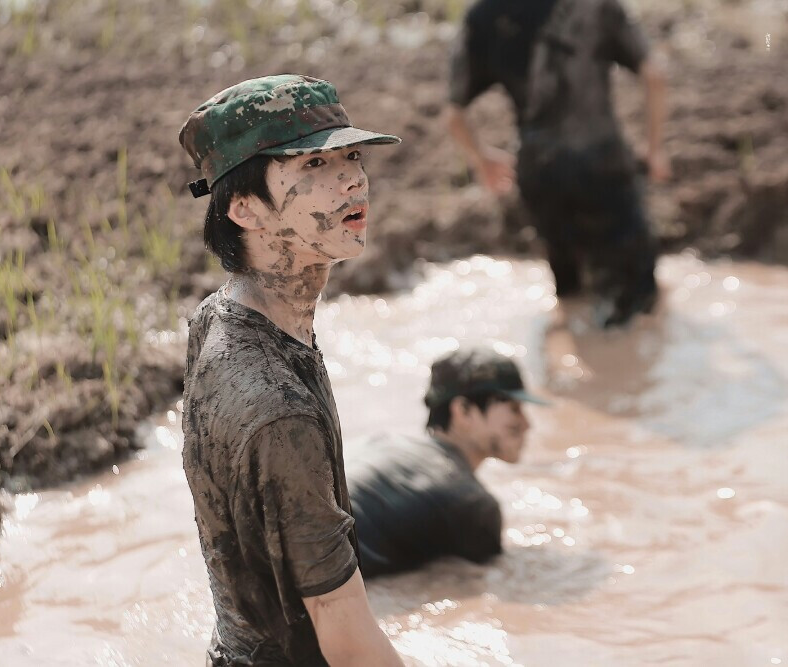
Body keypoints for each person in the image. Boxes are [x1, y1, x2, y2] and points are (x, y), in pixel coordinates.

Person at [179, 75, 404, 666]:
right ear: (244, 208)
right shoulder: (278, 412)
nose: (353, 178)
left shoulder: (220, 315)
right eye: (313, 165)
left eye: (351, 155)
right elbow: (349, 640)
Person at [445, 0, 670, 328]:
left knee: (570, 294)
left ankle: (572, 362)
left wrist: (481, 159)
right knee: (640, 304)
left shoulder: (484, 14)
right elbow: (655, 75)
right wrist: (654, 149)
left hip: (541, 174)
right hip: (605, 165)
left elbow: (454, 114)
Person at [347, 347, 544, 578]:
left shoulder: (382, 441)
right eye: (514, 408)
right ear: (464, 411)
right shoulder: (472, 503)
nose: (527, 424)